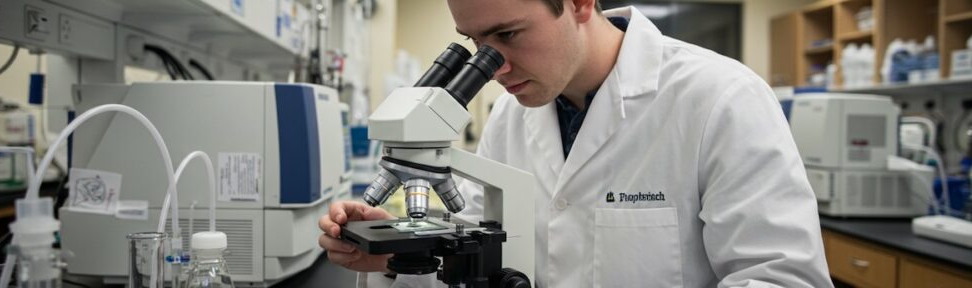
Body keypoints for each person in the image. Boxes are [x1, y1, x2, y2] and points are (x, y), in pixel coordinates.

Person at [319, 0, 834, 287]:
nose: (493, 67)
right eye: (476, 45)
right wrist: (394, 253)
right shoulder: (509, 115)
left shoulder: (722, 98)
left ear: (581, 2)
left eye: (509, 35)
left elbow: (783, 279)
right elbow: (475, 246)